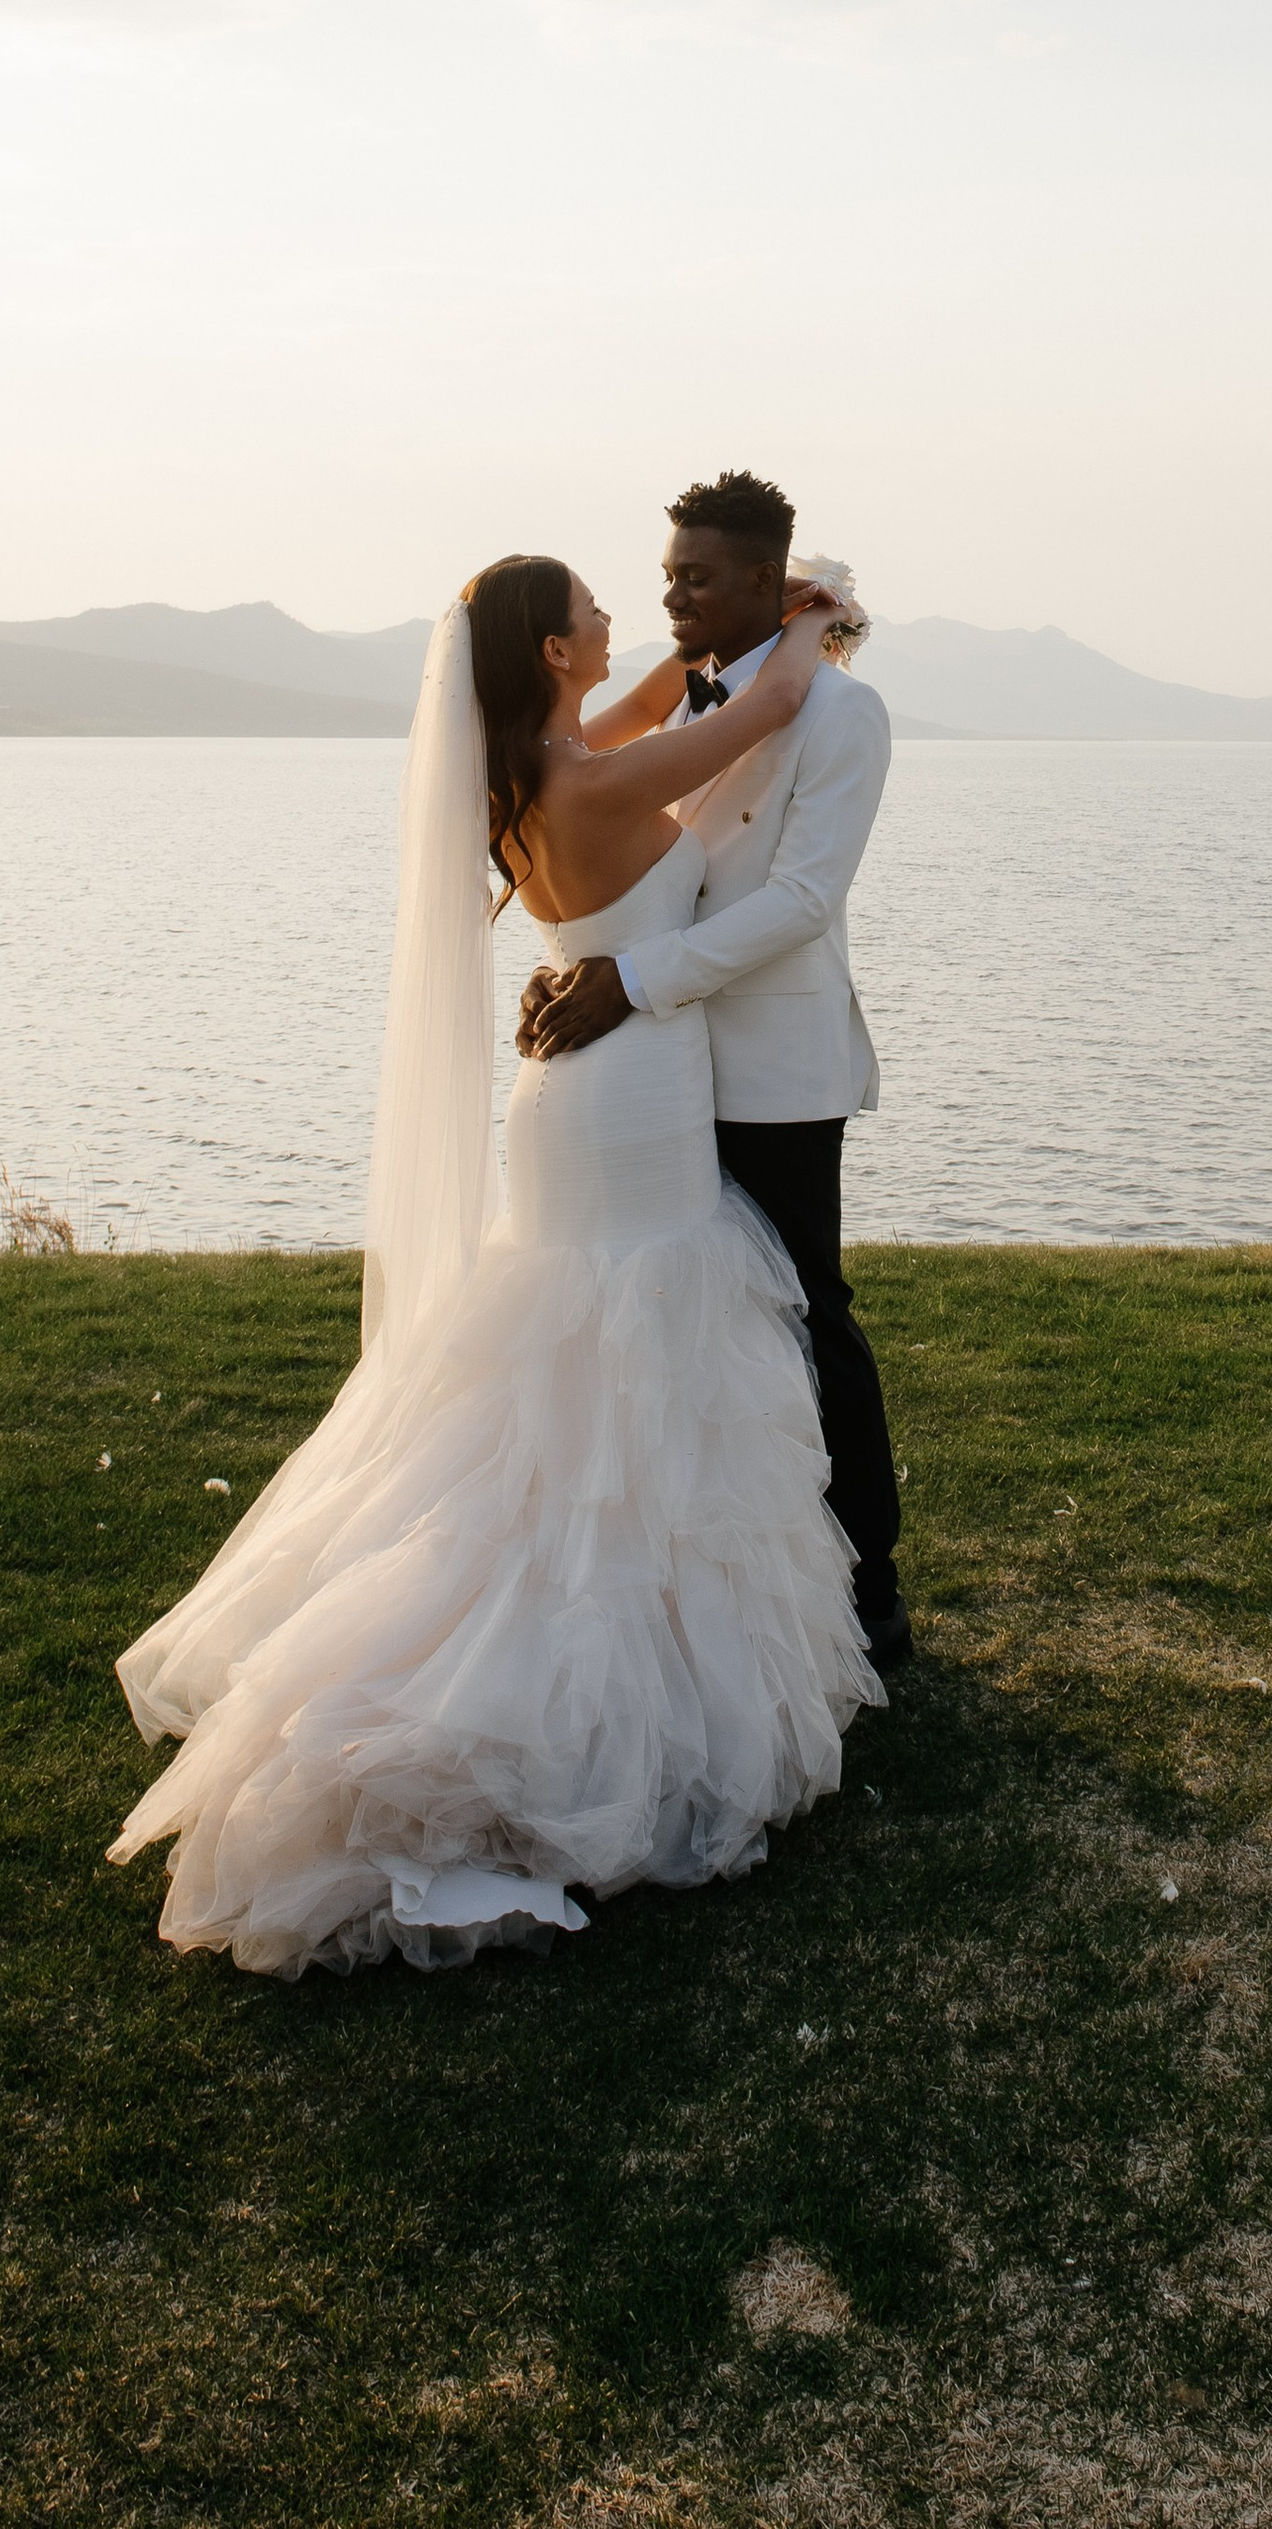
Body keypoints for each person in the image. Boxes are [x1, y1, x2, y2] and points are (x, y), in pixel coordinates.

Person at [106, 552, 876, 1977]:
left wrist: (689, 651)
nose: (612, 620)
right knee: (633, 1359)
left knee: (572, 1373)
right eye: (587, 607)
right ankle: (577, 1670)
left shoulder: (539, 763)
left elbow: (655, 693)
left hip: (569, 1106)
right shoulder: (590, 778)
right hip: (630, 1097)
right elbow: (765, 703)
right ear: (546, 650)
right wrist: (816, 610)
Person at [520, 471, 908, 1668]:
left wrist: (626, 979)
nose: (672, 591)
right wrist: (593, 966)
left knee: (802, 1311)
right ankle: (715, 1579)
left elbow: (798, 899)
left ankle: (868, 1581)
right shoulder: (684, 707)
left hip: (768, 1065)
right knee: (686, 1332)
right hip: (657, 1068)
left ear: (760, 580)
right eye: (667, 571)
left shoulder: (842, 714)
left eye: (695, 573)